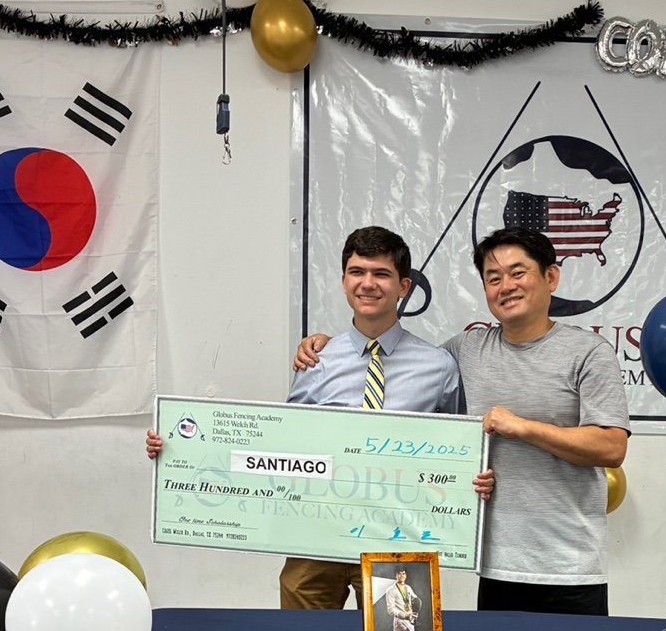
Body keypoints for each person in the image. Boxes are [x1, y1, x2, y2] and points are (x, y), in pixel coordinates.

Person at [147, 225, 493, 610]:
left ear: (404, 286)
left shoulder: (439, 366)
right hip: (313, 537)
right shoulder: (315, 361)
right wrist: (180, 449)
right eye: (357, 272)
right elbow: (276, 445)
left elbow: (456, 454)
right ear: (344, 281)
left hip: (397, 540)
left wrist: (472, 479)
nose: (368, 284)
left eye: (381, 274)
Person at [294, 227, 628, 616]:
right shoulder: (462, 352)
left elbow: (612, 447)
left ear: (550, 277)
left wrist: (523, 427)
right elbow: (445, 438)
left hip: (569, 568)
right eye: (493, 277)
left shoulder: (588, 352)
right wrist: (325, 344)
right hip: (494, 564)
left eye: (518, 273)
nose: (506, 286)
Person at [383, 566, 420, 631]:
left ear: (406, 575)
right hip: (399, 621)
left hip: (410, 619)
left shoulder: (408, 588)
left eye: (403, 573)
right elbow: (391, 609)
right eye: (399, 574)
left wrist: (415, 610)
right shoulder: (390, 590)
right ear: (395, 576)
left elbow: (415, 599)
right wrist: (405, 615)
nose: (402, 575)